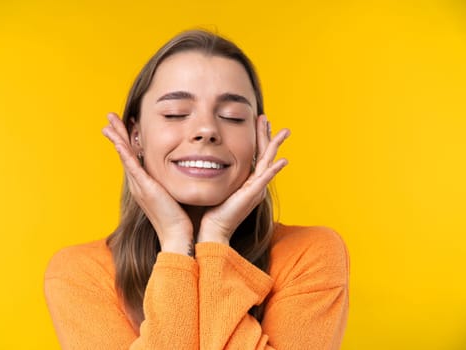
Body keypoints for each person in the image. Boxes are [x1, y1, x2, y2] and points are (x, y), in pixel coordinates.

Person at [44, 29, 349, 349]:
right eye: (175, 113)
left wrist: (214, 240)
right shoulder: (79, 274)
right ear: (136, 136)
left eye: (232, 117)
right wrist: (176, 243)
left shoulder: (310, 255)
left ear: (258, 138)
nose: (206, 130)